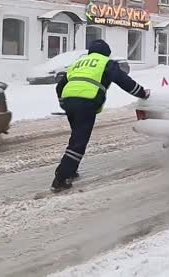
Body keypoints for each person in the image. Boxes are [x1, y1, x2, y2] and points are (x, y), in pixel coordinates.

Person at [52, 39, 150, 192]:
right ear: (106, 53)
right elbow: (125, 81)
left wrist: (63, 102)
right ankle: (61, 177)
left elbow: (60, 86)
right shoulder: (106, 62)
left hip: (69, 101)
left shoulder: (79, 62)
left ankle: (70, 169)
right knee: (79, 141)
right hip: (87, 101)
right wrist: (142, 93)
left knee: (76, 137)